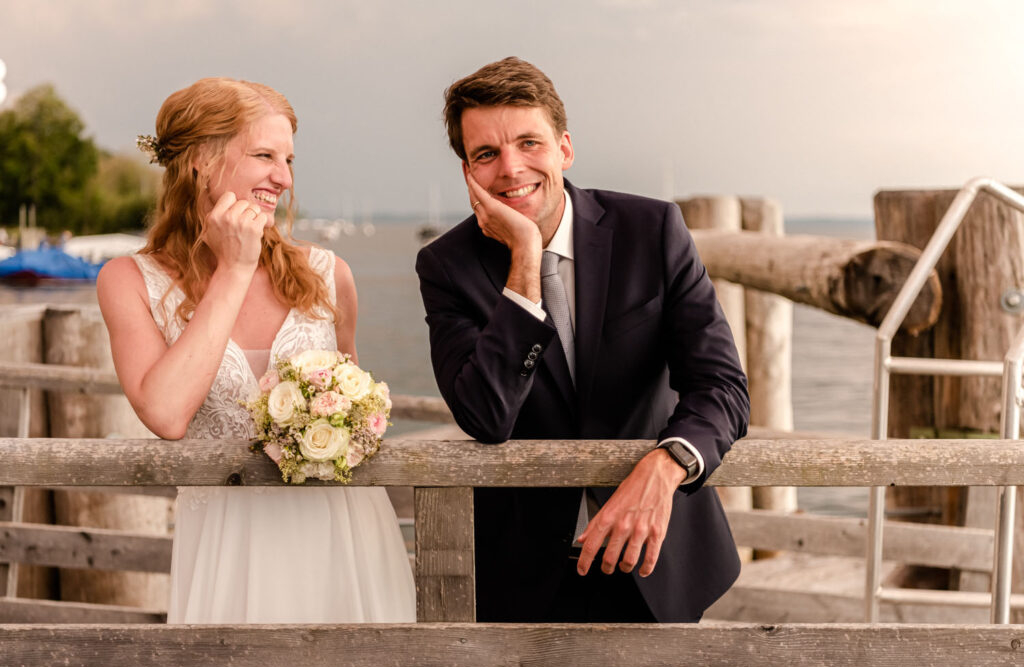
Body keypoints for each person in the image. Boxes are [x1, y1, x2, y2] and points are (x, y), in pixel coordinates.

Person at [416, 57, 749, 623]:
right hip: (524, 572)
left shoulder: (654, 230)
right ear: (467, 171)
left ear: (564, 149)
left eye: (529, 143)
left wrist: (667, 465)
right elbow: (485, 416)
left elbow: (721, 385)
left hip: (658, 553)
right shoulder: (446, 266)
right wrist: (525, 261)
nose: (511, 168)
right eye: (486, 154)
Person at [97, 78, 415, 624]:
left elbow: (365, 421)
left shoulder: (328, 274)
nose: (283, 178)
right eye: (264, 155)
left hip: (343, 534)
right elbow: (168, 414)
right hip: (228, 544)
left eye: (288, 158)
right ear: (200, 160)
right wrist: (235, 268)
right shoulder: (128, 281)